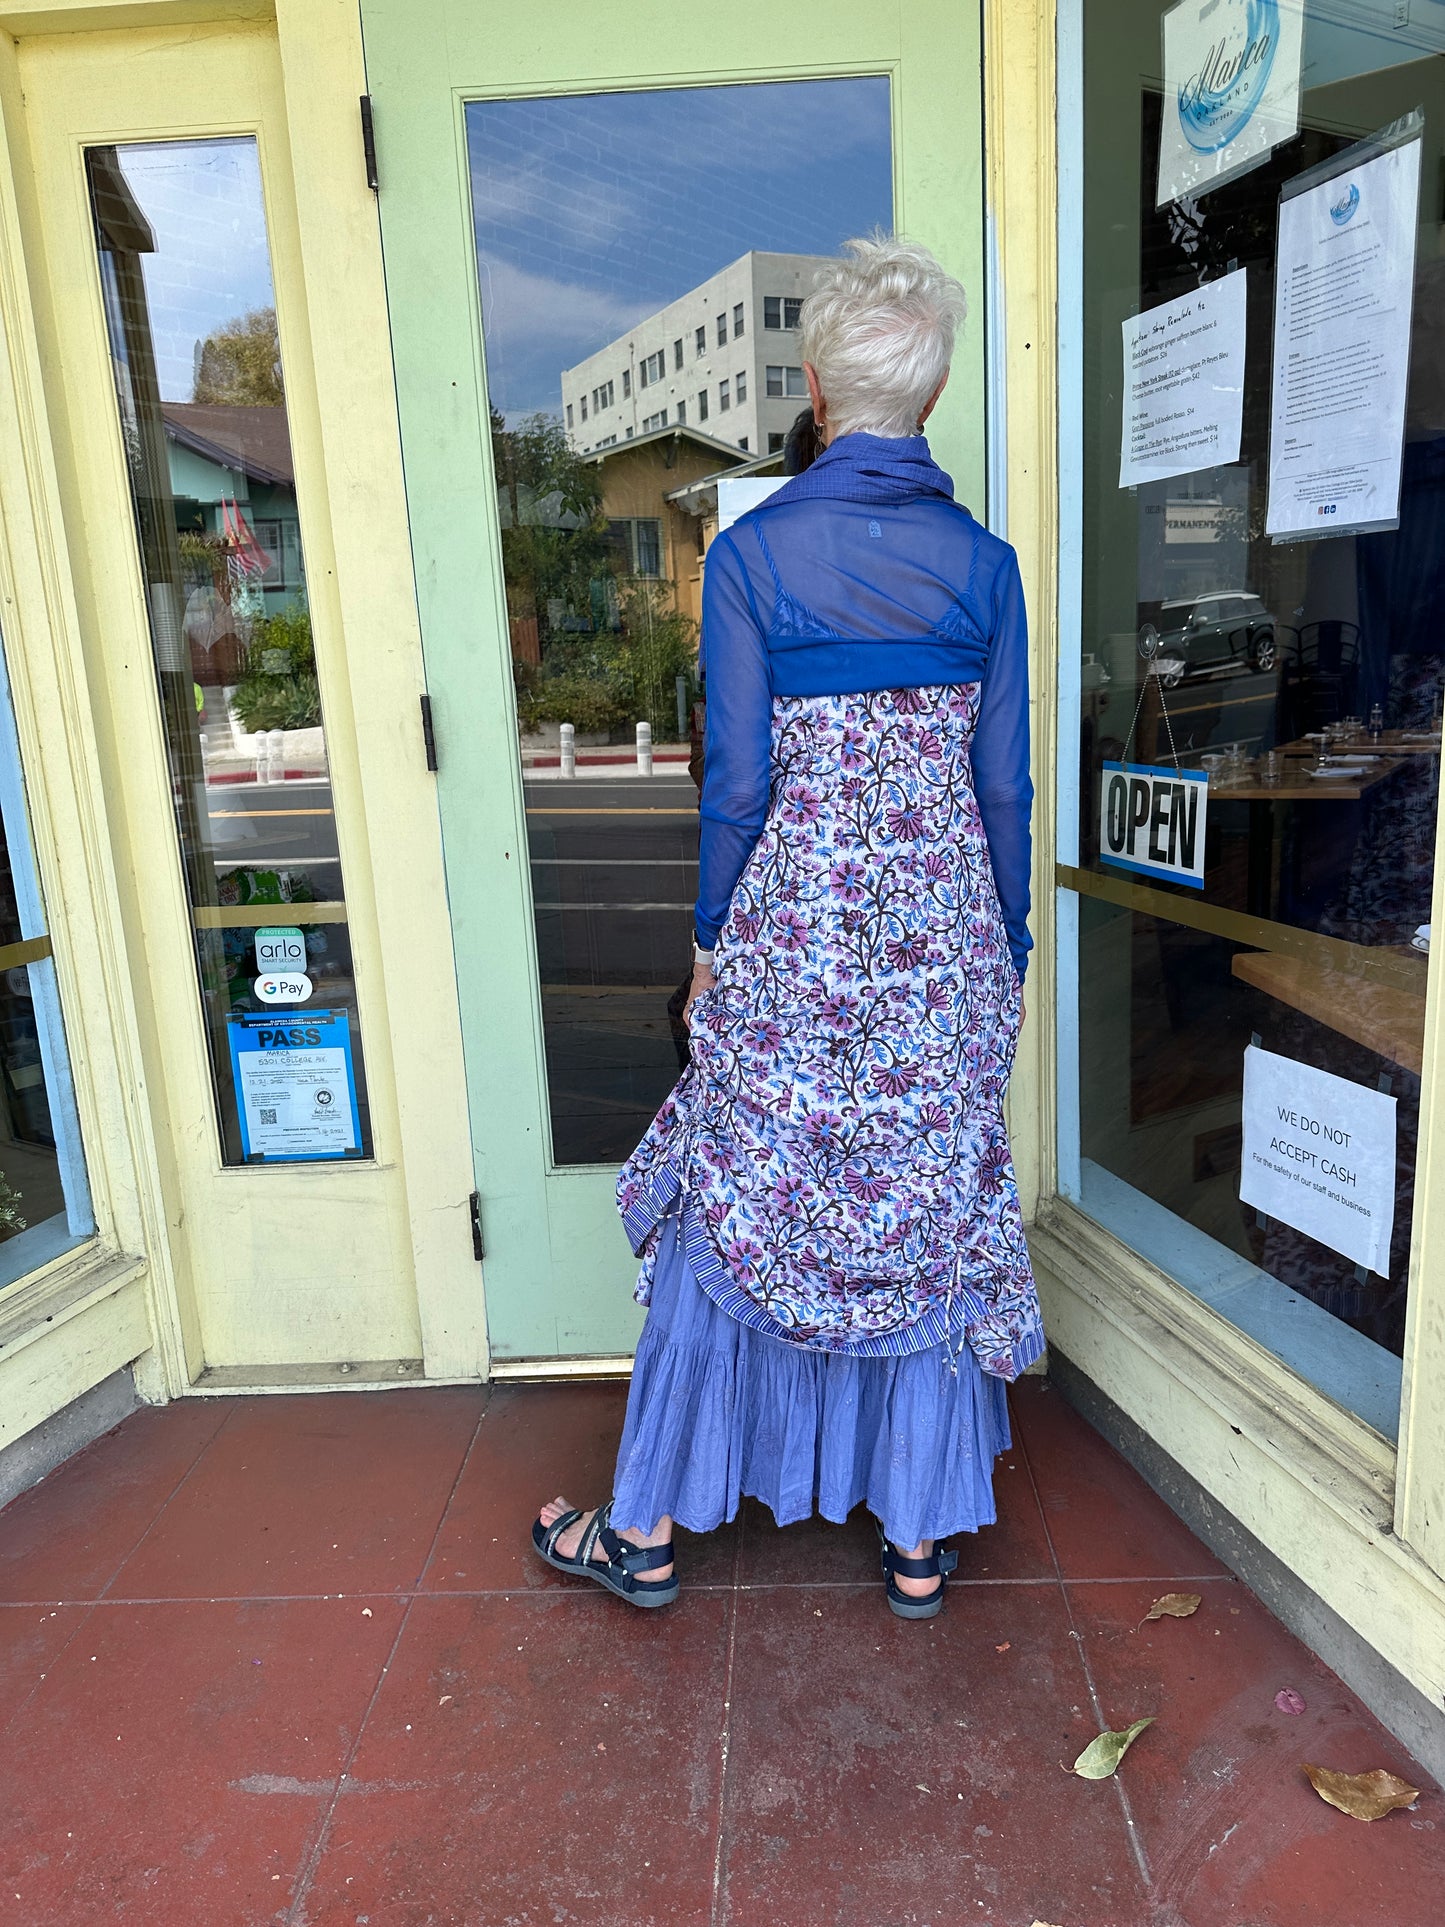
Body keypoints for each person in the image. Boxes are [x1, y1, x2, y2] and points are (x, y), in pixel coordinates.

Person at [533, 234, 1041, 1618]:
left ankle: (642, 1532)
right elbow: (1001, 785)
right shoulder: (985, 567)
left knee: (740, 1201)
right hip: (940, 950)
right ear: (926, 402)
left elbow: (739, 780)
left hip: (792, 949)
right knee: (921, 1203)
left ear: (817, 391)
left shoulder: (754, 556)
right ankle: (920, 1540)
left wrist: (710, 943)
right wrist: (1002, 949)